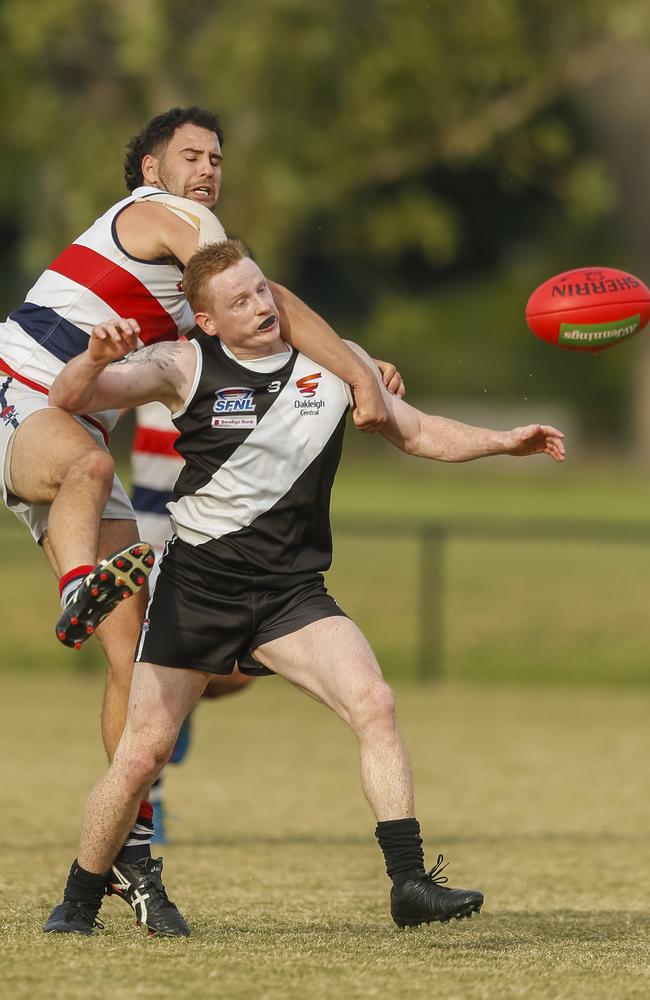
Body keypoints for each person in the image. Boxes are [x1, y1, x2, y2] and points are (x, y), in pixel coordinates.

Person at [43, 239, 565, 936]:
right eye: (240, 301)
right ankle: (76, 905)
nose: (261, 306)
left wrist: (505, 442)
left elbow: (416, 433)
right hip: (198, 587)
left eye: (263, 290)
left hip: (291, 593)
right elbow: (70, 397)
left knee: (374, 702)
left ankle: (408, 883)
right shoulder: (184, 365)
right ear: (207, 320)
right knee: (141, 754)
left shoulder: (332, 359)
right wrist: (96, 356)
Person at [0, 106, 391, 933]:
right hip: (20, 396)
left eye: (216, 157)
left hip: (74, 429)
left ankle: (131, 858)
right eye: (190, 154)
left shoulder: (195, 302)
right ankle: (80, 586)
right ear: (150, 171)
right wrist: (357, 368)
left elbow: (269, 341)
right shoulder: (170, 221)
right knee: (91, 463)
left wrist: (361, 370)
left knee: (134, 660)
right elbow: (272, 297)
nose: (208, 168)